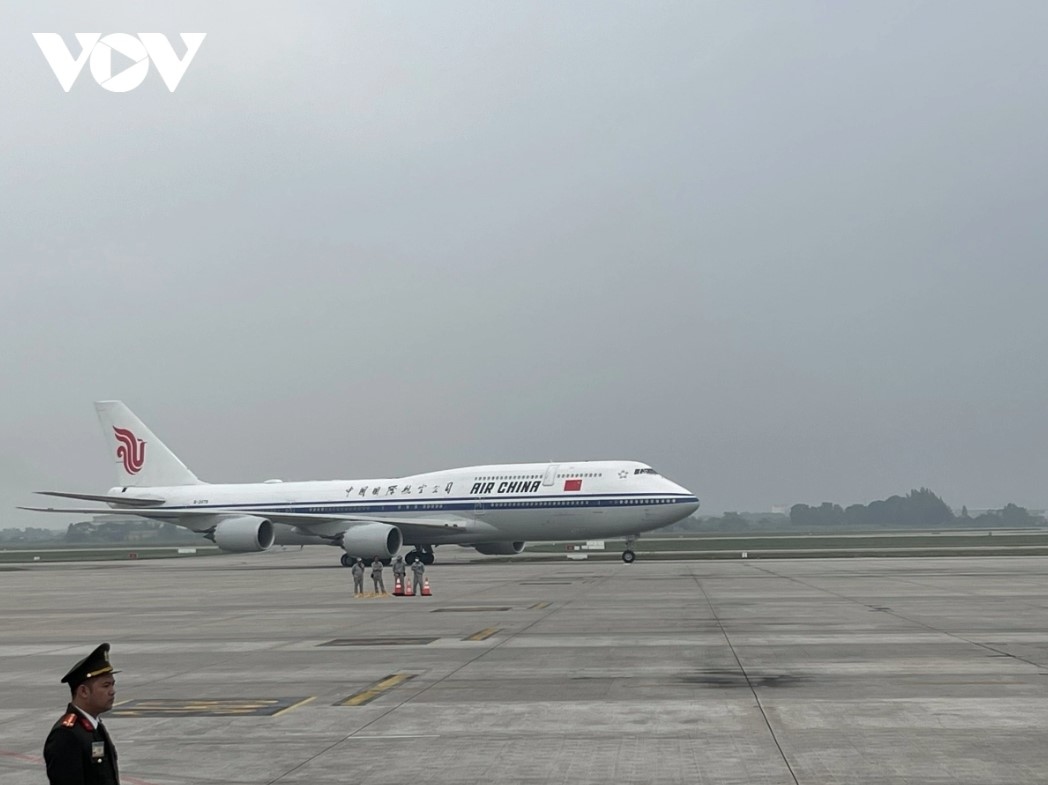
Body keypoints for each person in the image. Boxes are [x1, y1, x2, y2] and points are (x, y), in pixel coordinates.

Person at [44, 642, 120, 785]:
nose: (112, 691)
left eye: (112, 684)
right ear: (83, 691)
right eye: (106, 685)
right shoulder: (66, 735)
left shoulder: (94, 727)